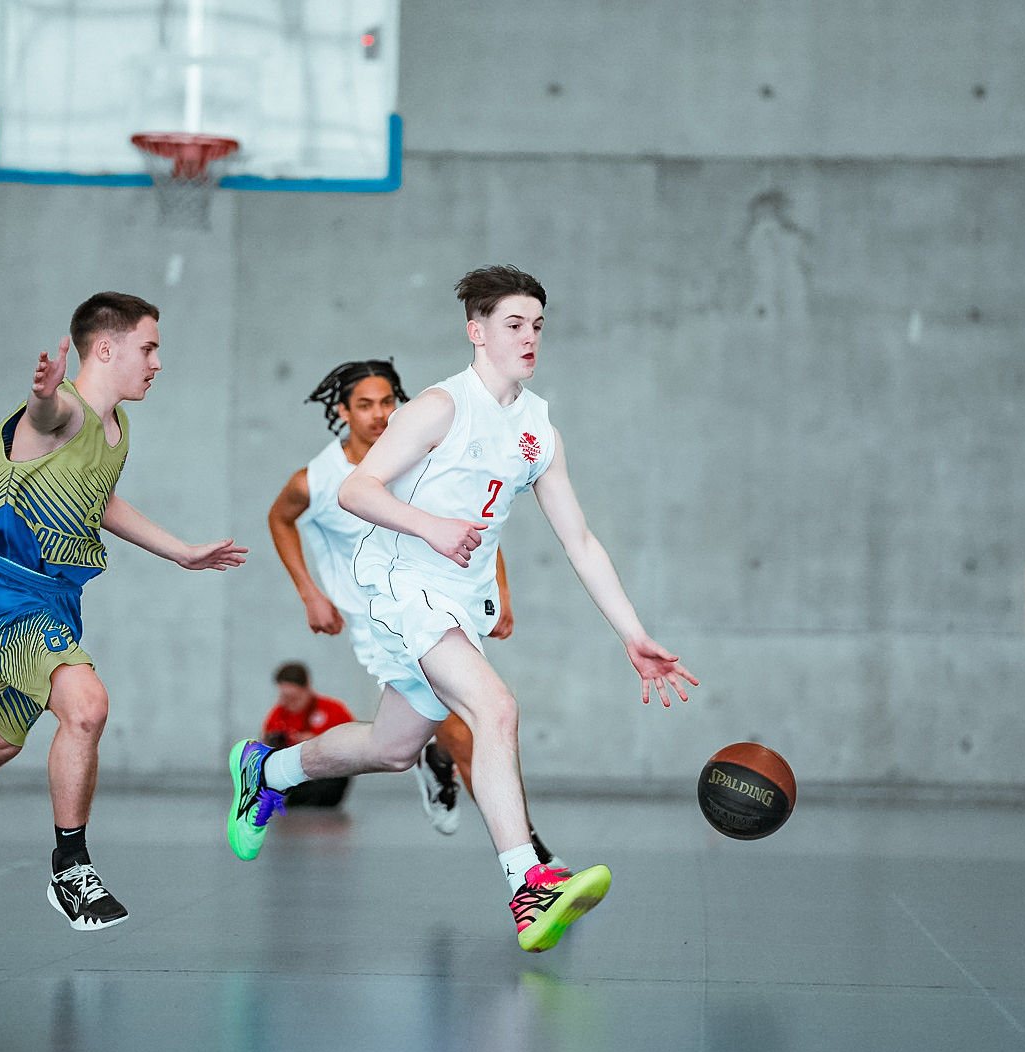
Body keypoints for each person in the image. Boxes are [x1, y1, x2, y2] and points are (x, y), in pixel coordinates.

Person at [231, 265, 696, 952]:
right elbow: (357, 490)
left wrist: (633, 633)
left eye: (537, 325)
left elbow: (580, 540)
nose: (529, 337)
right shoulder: (439, 408)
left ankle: (266, 771)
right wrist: (430, 527)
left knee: (392, 750)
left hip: (457, 602)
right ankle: (529, 884)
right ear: (477, 331)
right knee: (495, 708)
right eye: (514, 324)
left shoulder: (539, 430)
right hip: (402, 585)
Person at [0, 293, 247, 932]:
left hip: (56, 600)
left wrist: (181, 552)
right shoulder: (64, 413)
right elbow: (45, 418)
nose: (157, 363)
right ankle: (70, 868)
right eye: (148, 348)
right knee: (87, 706)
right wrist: (43, 395)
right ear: (105, 348)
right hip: (6, 594)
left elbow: (100, 500)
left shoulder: (116, 428)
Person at [265, 360, 561, 859]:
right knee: (475, 724)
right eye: (365, 405)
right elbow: (279, 519)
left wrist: (502, 592)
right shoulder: (317, 479)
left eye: (387, 402)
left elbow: (475, 524)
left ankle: (420, 758)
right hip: (383, 623)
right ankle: (533, 859)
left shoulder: (423, 455)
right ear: (343, 412)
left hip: (438, 608)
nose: (379, 414)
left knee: (399, 745)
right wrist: (309, 592)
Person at [260, 662, 355, 807]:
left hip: (327, 776)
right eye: (285, 698)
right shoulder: (278, 715)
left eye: (294, 698)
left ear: (307, 689)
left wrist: (317, 742)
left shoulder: (332, 710)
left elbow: (352, 743)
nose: (290, 704)